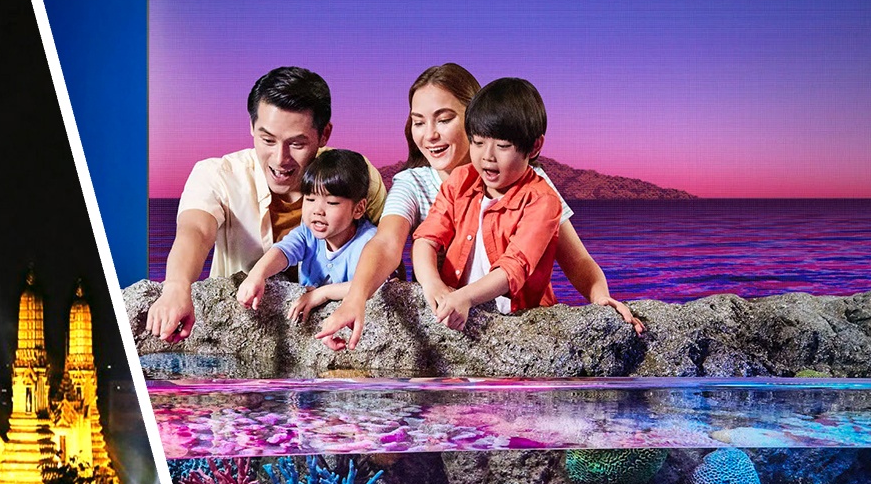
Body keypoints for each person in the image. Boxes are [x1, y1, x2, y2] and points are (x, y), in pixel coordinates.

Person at [316, 64, 641, 348]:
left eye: (443, 120)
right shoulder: (414, 183)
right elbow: (388, 243)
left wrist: (600, 299)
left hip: (521, 315)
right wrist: (357, 298)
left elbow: (575, 258)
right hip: (453, 316)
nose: (429, 135)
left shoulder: (537, 188)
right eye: (418, 122)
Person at [145, 66, 388, 341]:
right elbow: (195, 232)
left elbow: (386, 248)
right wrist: (177, 288)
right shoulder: (217, 174)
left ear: (324, 135)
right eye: (267, 139)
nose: (279, 158)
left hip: (333, 328)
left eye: (297, 144)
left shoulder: (354, 174)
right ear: (251, 126)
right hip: (244, 329)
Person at [411, 77, 564, 330]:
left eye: (502, 146)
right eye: (478, 142)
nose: (487, 157)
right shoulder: (461, 180)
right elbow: (426, 238)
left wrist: (465, 297)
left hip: (521, 319)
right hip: (460, 310)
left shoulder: (542, 200)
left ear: (534, 146)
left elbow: (513, 267)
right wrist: (432, 284)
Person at [236, 149, 379, 321]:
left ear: (359, 209)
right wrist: (257, 275)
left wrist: (323, 293)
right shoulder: (307, 232)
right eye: (310, 199)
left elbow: (375, 286)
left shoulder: (370, 242)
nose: (317, 211)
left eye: (331, 203)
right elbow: (283, 251)